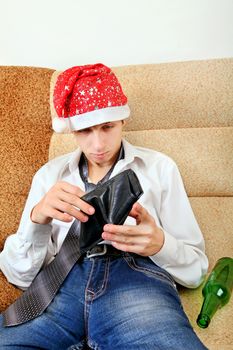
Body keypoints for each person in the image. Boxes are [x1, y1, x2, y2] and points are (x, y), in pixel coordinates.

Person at [0, 63, 208, 349]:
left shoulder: (160, 168)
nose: (98, 144)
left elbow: (197, 270)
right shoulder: (49, 176)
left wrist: (160, 244)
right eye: (85, 131)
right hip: (60, 284)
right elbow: (18, 275)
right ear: (72, 131)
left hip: (135, 282)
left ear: (123, 121)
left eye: (107, 127)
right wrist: (37, 219)